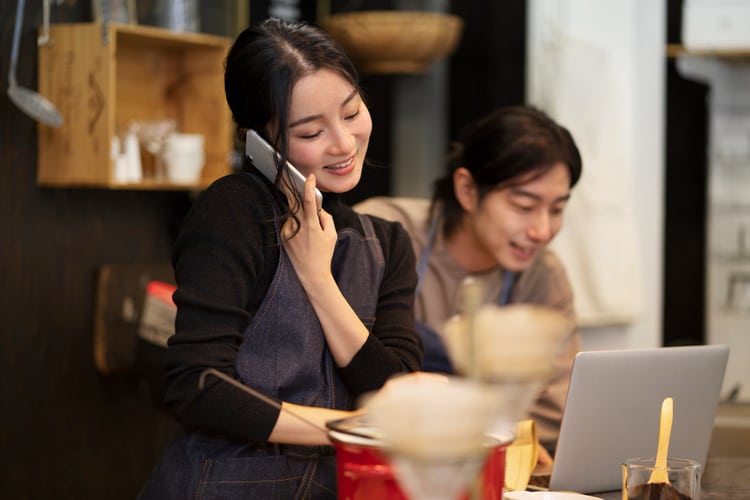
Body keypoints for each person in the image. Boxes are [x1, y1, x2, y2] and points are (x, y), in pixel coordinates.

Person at [138, 18, 422, 500]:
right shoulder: (234, 211)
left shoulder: (387, 243)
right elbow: (199, 384)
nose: (344, 143)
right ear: (261, 142)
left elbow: (396, 390)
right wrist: (349, 427)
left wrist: (319, 283)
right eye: (312, 132)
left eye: (352, 113)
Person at [355, 105, 583, 457]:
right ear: (467, 190)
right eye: (524, 206)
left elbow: (557, 408)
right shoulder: (380, 235)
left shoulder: (544, 276)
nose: (542, 231)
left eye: (557, 210)